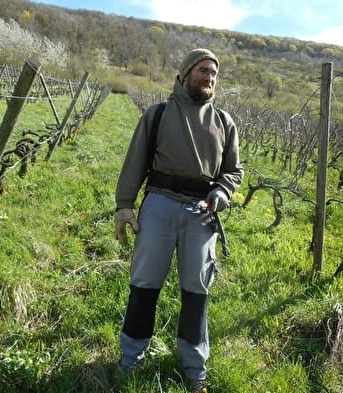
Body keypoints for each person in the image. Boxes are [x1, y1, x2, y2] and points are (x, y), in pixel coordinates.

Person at [115, 48, 243, 393]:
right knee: (144, 285)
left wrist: (221, 193)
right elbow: (135, 161)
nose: (210, 78)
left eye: (214, 74)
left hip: (202, 212)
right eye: (203, 70)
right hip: (159, 204)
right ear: (185, 74)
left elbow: (233, 170)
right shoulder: (157, 115)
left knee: (196, 291)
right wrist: (125, 206)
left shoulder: (224, 123)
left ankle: (194, 367)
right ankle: (131, 359)